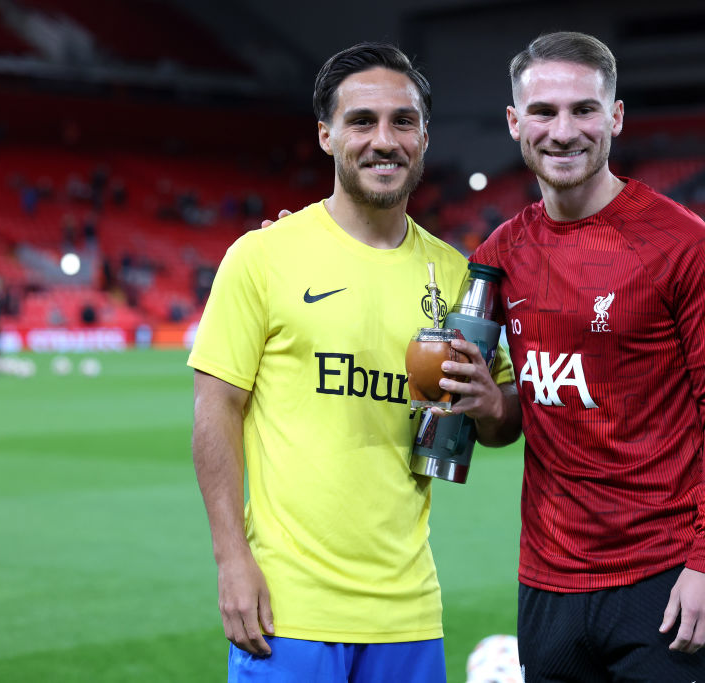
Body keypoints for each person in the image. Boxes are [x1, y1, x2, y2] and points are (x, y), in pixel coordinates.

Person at [187, 43, 518, 683]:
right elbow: (216, 408)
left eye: (402, 122)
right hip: (288, 610)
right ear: (326, 135)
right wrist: (232, 559)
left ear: (424, 137)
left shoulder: (456, 277)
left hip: (410, 611)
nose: (383, 140)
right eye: (362, 121)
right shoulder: (263, 257)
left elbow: (502, 425)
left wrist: (488, 402)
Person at [460, 32, 705, 682]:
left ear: (615, 117)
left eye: (584, 109)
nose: (563, 131)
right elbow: (511, 421)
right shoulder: (498, 255)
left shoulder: (684, 246)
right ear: (516, 123)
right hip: (546, 584)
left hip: (663, 578)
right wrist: (488, 405)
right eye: (543, 112)